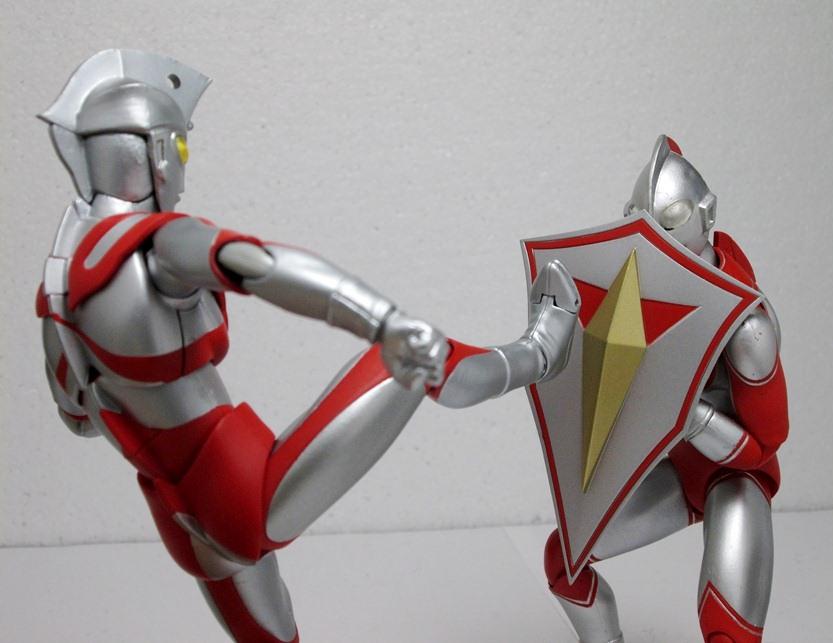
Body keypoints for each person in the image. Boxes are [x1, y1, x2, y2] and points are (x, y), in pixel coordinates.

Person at [37, 49, 580, 642]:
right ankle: (539, 353)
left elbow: (79, 419)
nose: (183, 168)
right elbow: (265, 267)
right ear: (157, 153)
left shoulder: (59, 294)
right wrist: (386, 322)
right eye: (182, 150)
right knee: (420, 356)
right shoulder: (161, 244)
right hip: (244, 494)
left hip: (182, 516)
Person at [543, 136, 789, 643]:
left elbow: (764, 446)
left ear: (707, 214)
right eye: (638, 220)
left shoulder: (747, 328)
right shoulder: (630, 294)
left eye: (670, 220)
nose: (654, 237)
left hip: (734, 474)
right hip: (674, 468)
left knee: (728, 631)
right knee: (565, 560)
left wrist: (691, 414)